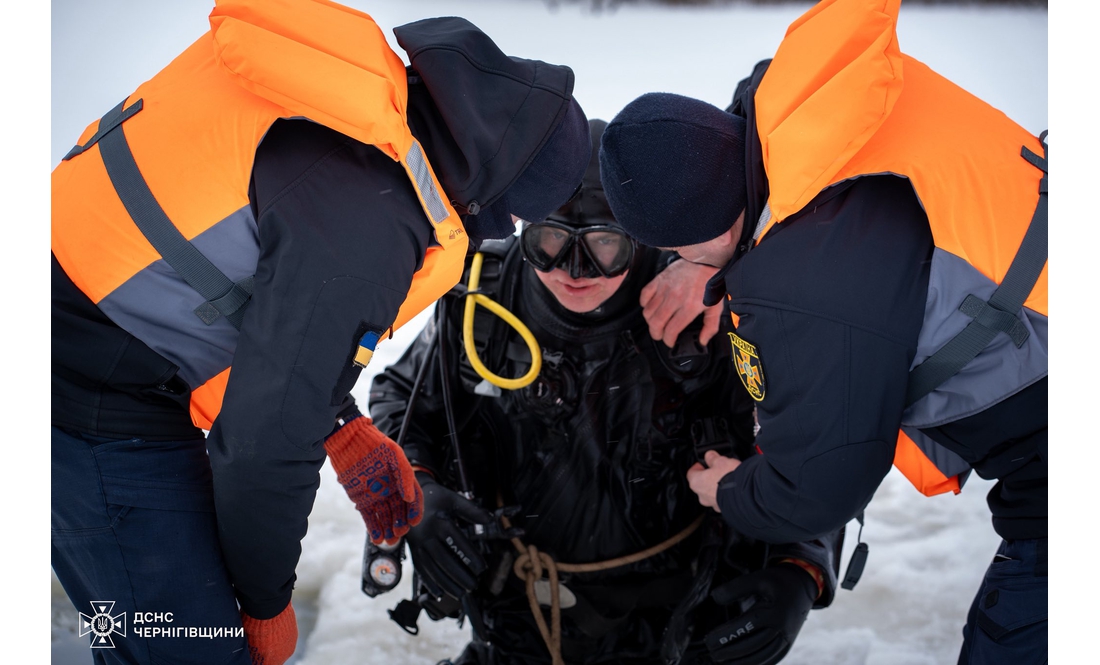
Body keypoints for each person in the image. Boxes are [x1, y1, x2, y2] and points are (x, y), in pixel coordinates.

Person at [51, 1, 591, 663]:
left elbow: (258, 288)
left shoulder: (352, 101)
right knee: (192, 649)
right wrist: (265, 604)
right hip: (81, 389)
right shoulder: (371, 214)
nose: (499, 234)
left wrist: (340, 425)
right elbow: (263, 447)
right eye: (516, 219)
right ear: (495, 188)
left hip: (77, 319)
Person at [597, 0, 1047, 663]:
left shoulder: (804, 291)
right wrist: (710, 268)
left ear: (704, 234)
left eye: (679, 252)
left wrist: (722, 487)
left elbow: (813, 488)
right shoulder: (803, 100)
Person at [368, 119, 842, 665]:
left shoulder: (701, 309)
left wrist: (800, 568)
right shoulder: (484, 301)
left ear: (640, 236)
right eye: (548, 242)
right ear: (523, 229)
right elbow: (398, 400)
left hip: (675, 621)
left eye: (603, 246)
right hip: (514, 613)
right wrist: (414, 493)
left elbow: (811, 442)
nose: (574, 270)